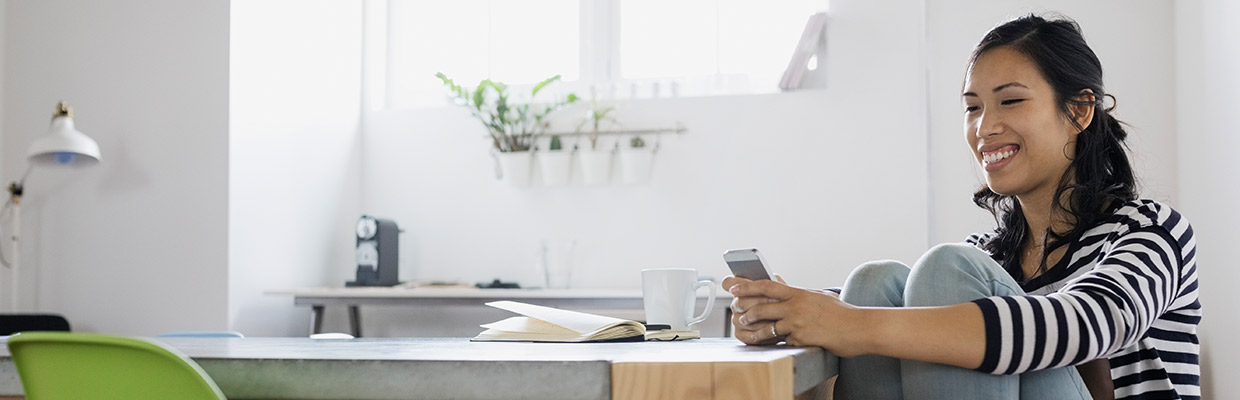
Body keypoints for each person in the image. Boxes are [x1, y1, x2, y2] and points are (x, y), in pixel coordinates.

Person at [723, 15, 1200, 400]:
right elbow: (876, 304)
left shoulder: (1150, 230)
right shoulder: (990, 255)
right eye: (973, 107)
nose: (984, 127)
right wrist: (790, 314)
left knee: (943, 268)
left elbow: (1084, 323)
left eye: (1010, 101)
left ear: (1079, 110)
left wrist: (851, 324)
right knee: (873, 281)